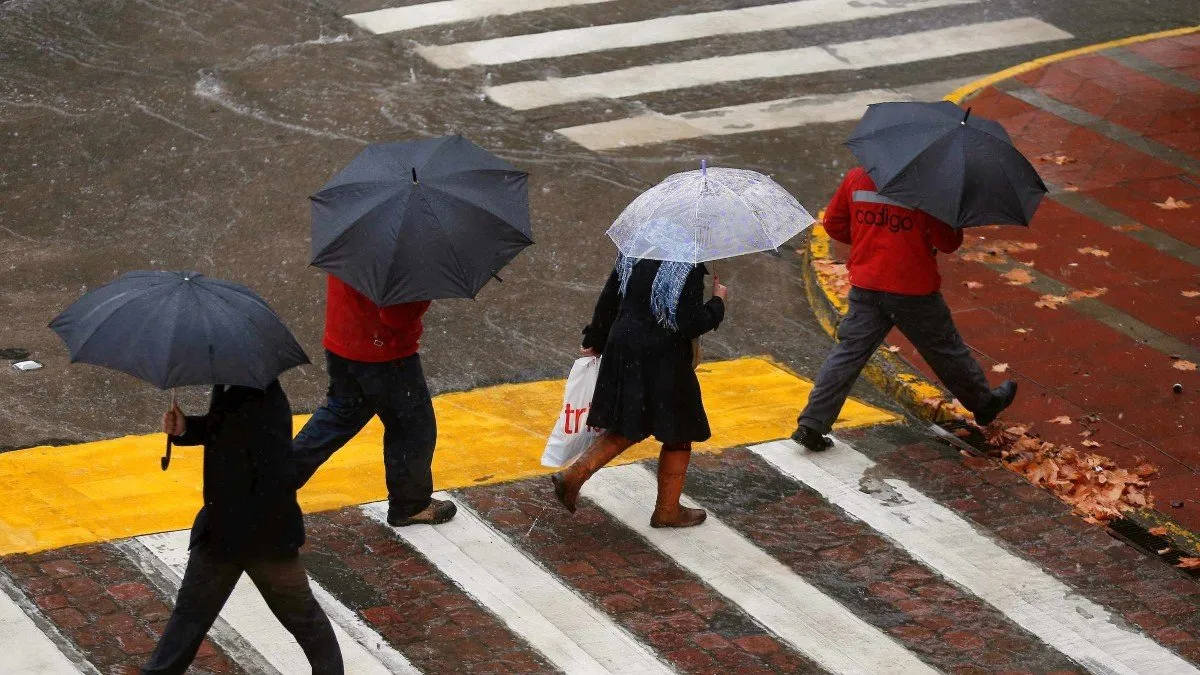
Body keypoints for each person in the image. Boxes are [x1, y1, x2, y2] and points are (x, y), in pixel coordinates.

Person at [794, 166, 1017, 451]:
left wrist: (871, 238)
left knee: (848, 354)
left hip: (867, 285)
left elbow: (836, 224)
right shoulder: (930, 185)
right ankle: (984, 404)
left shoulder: (858, 176)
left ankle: (812, 422)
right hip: (914, 290)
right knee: (945, 350)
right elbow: (948, 242)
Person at [144, 381, 343, 675]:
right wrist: (186, 428)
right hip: (226, 529)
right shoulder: (232, 387)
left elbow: (272, 470)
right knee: (191, 614)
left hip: (261, 537)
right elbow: (223, 431)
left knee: (303, 619)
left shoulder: (263, 403)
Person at [551, 254, 727, 528]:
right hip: (662, 355)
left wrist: (597, 338)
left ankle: (574, 475)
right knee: (680, 429)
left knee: (629, 422)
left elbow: (610, 297)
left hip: (624, 343)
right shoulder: (686, 263)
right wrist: (717, 303)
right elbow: (689, 323)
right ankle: (667, 510)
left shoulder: (636, 249)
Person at [291, 275, 455, 527]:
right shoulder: (405, 255)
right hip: (384, 354)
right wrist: (426, 292)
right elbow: (396, 316)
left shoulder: (357, 241)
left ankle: (268, 485)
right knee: (413, 429)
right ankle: (411, 504)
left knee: (337, 417)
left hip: (344, 339)